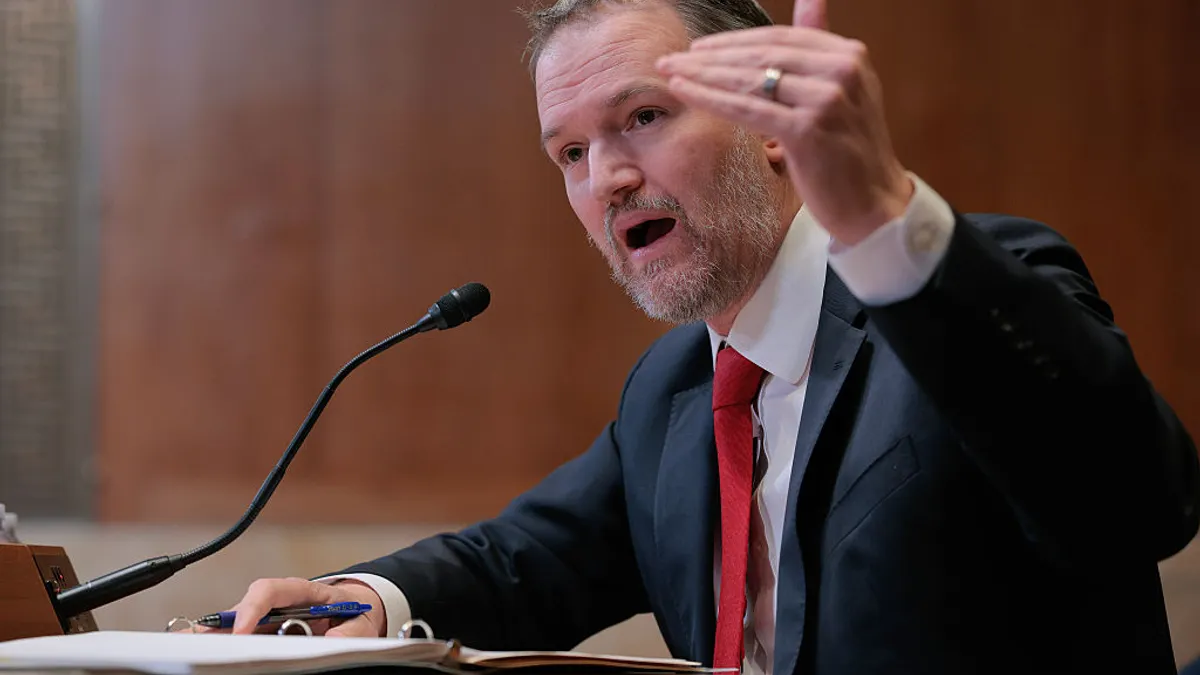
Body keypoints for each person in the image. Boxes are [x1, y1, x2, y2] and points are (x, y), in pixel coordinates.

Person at [220, 1, 1200, 673]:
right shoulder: (676, 390)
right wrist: (362, 600)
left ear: (769, 124)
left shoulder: (968, 293)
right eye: (570, 151)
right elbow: (526, 558)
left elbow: (1136, 507)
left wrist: (886, 222)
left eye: (643, 116)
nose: (606, 179)